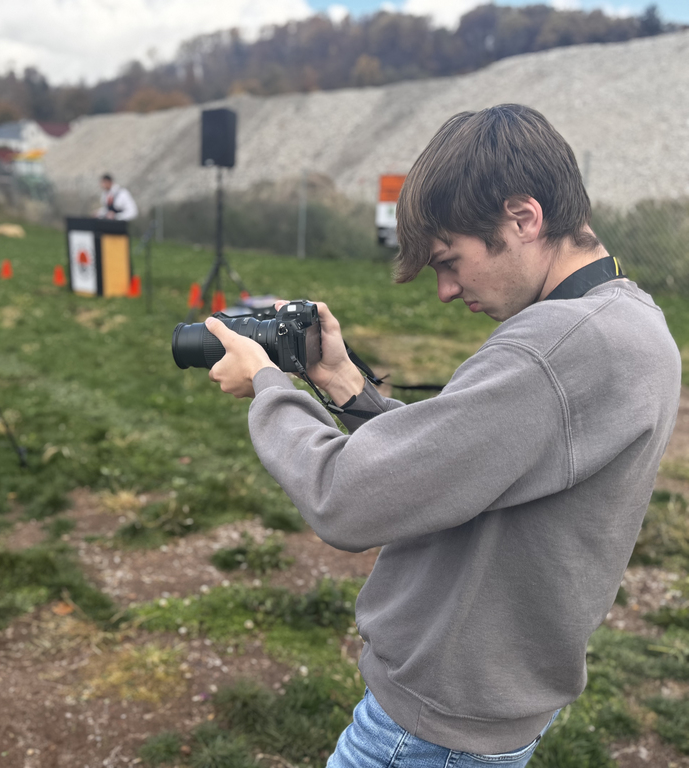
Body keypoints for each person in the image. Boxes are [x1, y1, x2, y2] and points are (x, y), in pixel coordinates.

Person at [204, 104, 681, 767]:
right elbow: (458, 467)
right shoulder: (630, 324)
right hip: (488, 710)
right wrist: (344, 382)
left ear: (523, 218)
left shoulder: (555, 349)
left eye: (450, 261)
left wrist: (268, 385)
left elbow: (347, 499)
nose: (446, 291)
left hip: (431, 731)